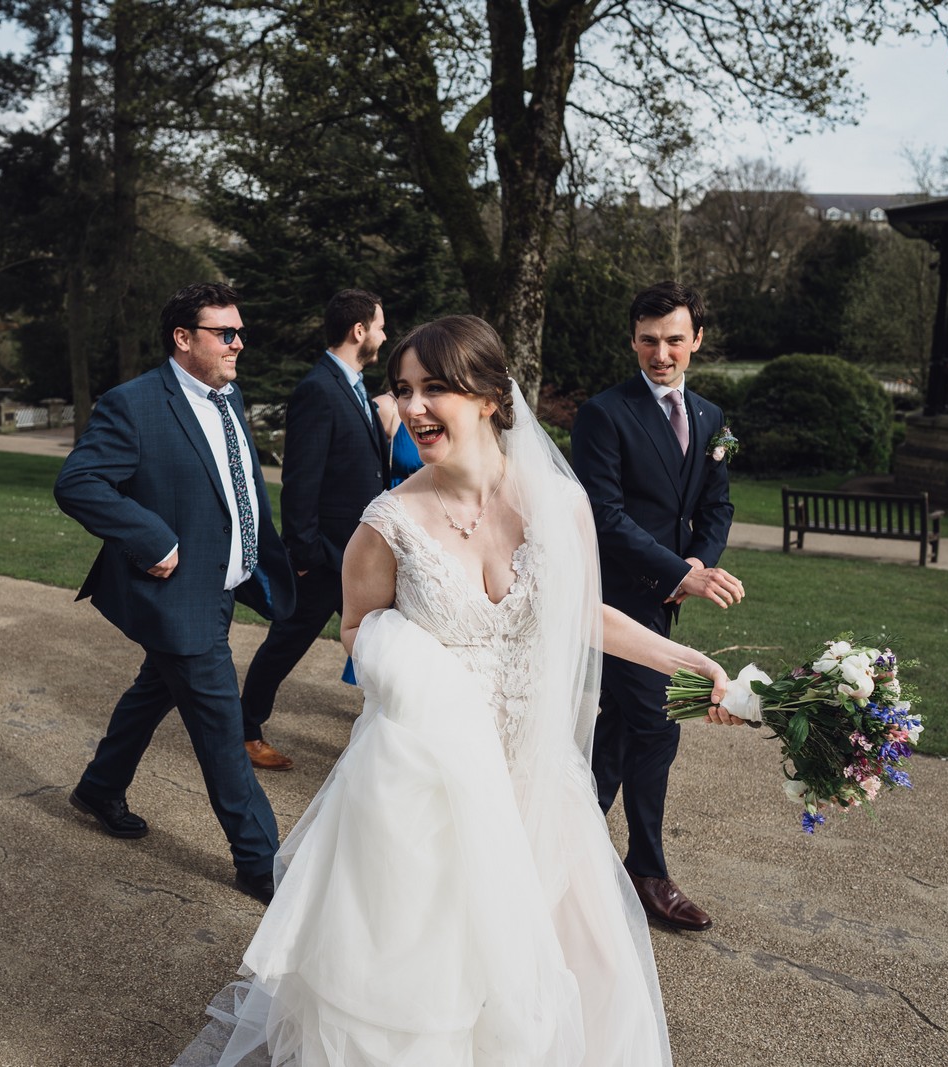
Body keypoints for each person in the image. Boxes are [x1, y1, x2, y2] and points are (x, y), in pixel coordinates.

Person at [180, 315, 738, 1066]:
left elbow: (577, 612)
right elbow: (357, 629)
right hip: (428, 789)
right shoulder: (387, 523)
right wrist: (413, 670)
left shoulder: (560, 504)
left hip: (537, 782)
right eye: (402, 388)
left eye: (433, 388)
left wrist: (685, 660)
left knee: (575, 972)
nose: (412, 407)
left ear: (488, 396)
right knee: (432, 988)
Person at [54, 282, 296, 905]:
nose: (238, 343)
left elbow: (234, 486)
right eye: (225, 333)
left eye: (240, 332)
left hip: (222, 586)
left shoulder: (227, 396)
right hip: (178, 595)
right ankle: (261, 862)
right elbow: (78, 482)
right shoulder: (133, 404)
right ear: (183, 338)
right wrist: (152, 539)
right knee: (222, 731)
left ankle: (100, 786)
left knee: (153, 689)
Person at [570, 281, 745, 933]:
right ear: (633, 340)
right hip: (610, 601)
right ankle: (647, 871)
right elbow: (604, 516)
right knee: (655, 724)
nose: (661, 353)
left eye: (674, 339)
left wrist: (695, 564)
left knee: (621, 725)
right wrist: (679, 573)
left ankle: (565, 847)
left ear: (696, 339)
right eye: (648, 340)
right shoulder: (603, 414)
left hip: (667, 597)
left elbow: (717, 504)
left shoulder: (711, 417)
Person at [237, 289, 389, 771]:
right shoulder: (318, 389)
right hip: (324, 557)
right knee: (287, 642)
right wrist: (305, 556)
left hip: (359, 554)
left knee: (379, 646)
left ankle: (388, 737)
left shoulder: (354, 386)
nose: (385, 336)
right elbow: (301, 481)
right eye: (380, 327)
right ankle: (244, 732)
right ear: (359, 331)